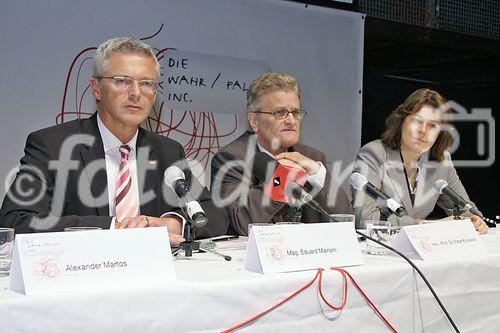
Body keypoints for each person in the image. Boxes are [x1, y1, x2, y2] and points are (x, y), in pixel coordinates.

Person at [0, 37, 228, 243]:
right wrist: (111, 228)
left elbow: (216, 215)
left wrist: (172, 223)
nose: (136, 93)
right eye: (122, 81)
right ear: (96, 88)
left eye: (147, 83)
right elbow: (16, 220)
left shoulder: (166, 152)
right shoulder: (52, 145)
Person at [211, 72, 353, 235]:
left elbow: (345, 221)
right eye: (279, 113)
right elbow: (240, 222)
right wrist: (283, 178)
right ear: (254, 121)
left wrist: (319, 175)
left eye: (295, 112)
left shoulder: (313, 158)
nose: (291, 120)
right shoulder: (232, 158)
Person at [351, 88, 488, 233]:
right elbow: (365, 219)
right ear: (401, 121)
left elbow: (465, 209)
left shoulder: (441, 161)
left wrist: (473, 221)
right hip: (381, 249)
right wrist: (427, 226)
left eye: (432, 125)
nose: (423, 130)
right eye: (417, 121)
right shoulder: (373, 154)